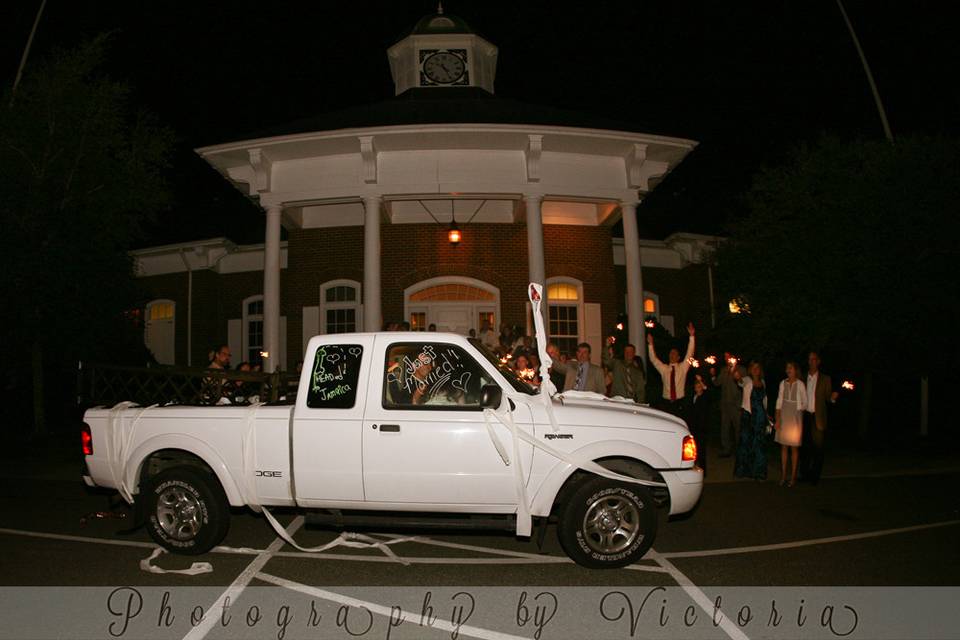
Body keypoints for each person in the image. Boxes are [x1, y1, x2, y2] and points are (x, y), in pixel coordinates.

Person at [800, 351, 838, 485]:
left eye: (814, 359)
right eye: (809, 359)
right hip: (805, 416)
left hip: (818, 417)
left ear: (818, 361)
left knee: (818, 448)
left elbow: (828, 398)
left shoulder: (825, 379)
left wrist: (832, 398)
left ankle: (814, 476)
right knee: (805, 447)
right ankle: (804, 474)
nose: (811, 362)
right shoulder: (803, 377)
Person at [647, 322, 696, 417]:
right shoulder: (664, 369)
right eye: (670, 353)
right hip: (666, 403)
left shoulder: (683, 367)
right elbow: (653, 359)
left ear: (678, 357)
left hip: (680, 402)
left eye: (674, 353)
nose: (672, 355)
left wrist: (692, 336)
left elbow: (690, 354)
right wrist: (650, 345)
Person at [775, 361, 807, 486]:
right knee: (783, 446)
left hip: (795, 417)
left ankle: (793, 477)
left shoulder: (800, 384)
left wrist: (797, 410)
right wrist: (778, 419)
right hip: (784, 415)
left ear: (795, 370)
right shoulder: (782, 383)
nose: (788, 370)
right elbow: (779, 401)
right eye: (787, 368)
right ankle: (783, 475)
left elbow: (805, 403)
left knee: (794, 447)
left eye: (790, 368)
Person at [734, 361, 768, 480]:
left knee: (758, 444)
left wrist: (767, 415)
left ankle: (758, 472)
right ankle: (743, 471)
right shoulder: (747, 380)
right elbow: (740, 382)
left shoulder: (763, 382)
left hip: (759, 417)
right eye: (753, 367)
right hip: (748, 416)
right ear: (750, 370)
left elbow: (764, 400)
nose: (755, 369)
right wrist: (737, 376)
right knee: (745, 443)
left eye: (757, 367)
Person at [710, 352, 747, 457]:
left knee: (738, 429)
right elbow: (717, 383)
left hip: (737, 405)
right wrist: (713, 376)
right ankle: (726, 450)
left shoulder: (741, 370)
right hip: (725, 404)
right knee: (725, 428)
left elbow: (745, 384)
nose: (726, 358)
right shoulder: (723, 370)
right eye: (725, 356)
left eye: (728, 356)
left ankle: (740, 451)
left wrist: (738, 376)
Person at [603, 337, 647, 404]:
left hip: (631, 402)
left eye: (630, 352)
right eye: (626, 351)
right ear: (624, 353)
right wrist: (607, 346)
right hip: (617, 401)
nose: (628, 353)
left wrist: (640, 404)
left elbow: (640, 391)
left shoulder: (638, 372)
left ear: (634, 353)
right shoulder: (617, 364)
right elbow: (606, 361)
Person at [687, 372, 710, 474]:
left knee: (701, 449)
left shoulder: (704, 397)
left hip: (702, 427)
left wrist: (701, 380)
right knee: (694, 448)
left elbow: (707, 390)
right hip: (694, 426)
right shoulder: (694, 397)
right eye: (696, 386)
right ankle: (694, 467)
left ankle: (703, 470)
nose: (698, 388)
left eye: (700, 386)